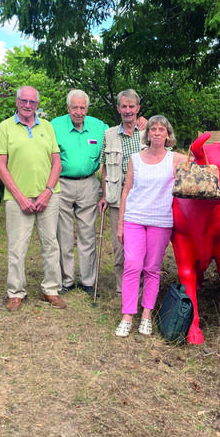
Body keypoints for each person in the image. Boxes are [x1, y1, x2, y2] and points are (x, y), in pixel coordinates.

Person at [114, 116, 187, 337]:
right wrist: (120, 222)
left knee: (152, 268)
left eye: (161, 129)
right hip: (134, 218)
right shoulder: (135, 158)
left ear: (168, 134)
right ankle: (127, 315)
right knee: (132, 265)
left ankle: (146, 315)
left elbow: (199, 161)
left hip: (161, 220)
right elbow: (126, 190)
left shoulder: (175, 159)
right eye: (153, 129)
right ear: (148, 134)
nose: (156, 133)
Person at [0, 86, 66, 311]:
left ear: (37, 103)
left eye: (32, 102)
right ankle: (15, 292)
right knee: (17, 246)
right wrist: (20, 197)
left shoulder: (47, 126)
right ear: (17, 102)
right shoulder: (6, 127)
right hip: (17, 198)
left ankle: (51, 290)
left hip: (48, 196)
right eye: (23, 101)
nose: (27, 105)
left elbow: (57, 162)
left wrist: (47, 192)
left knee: (51, 244)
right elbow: (0, 167)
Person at [51, 90, 108, 295]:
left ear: (87, 108)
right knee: (64, 233)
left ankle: (87, 280)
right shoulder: (55, 125)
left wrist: (141, 123)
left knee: (88, 233)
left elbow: (121, 132)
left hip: (88, 184)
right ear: (68, 108)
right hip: (62, 183)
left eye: (82, 107)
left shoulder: (99, 127)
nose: (78, 111)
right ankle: (66, 280)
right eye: (74, 107)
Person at [99, 89, 145, 295]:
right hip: (117, 198)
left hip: (143, 198)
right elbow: (105, 167)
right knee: (120, 246)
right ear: (118, 109)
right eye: (124, 106)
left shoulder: (148, 132)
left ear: (138, 108)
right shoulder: (108, 135)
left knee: (142, 247)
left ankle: (141, 287)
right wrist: (103, 194)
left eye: (131, 106)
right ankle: (121, 289)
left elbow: (166, 150)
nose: (128, 110)